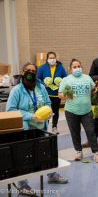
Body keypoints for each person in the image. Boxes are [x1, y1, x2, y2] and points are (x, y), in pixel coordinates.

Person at [6, 62, 68, 195]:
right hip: (25, 129)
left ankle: (51, 175)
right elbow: (10, 110)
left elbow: (47, 103)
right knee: (24, 156)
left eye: (33, 70)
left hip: (41, 127)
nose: (31, 72)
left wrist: (48, 112)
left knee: (45, 152)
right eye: (28, 70)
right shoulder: (16, 90)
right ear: (23, 72)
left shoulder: (40, 87)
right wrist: (30, 116)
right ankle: (23, 184)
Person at [58, 59, 98, 163]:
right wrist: (66, 95)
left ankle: (96, 153)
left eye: (79, 66)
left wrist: (97, 89)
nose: (77, 68)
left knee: (91, 131)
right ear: (70, 69)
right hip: (71, 111)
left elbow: (92, 90)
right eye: (74, 67)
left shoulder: (87, 78)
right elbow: (60, 94)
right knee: (75, 132)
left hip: (86, 111)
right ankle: (79, 151)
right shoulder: (66, 79)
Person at [37, 51, 67, 134]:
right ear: (47, 59)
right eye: (50, 58)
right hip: (46, 94)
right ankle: (45, 127)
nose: (52, 59)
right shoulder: (42, 68)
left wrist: (61, 83)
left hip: (57, 94)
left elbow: (65, 78)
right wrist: (43, 84)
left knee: (55, 111)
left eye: (53, 58)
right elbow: (38, 79)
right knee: (46, 111)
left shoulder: (60, 67)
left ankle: (54, 127)